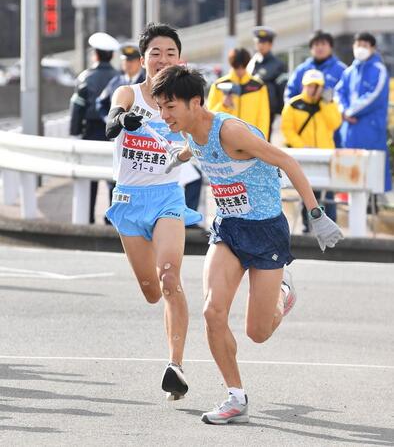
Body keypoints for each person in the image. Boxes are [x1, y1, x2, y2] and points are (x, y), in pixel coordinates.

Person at [150, 65, 343, 424]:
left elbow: (285, 160)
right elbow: (194, 147)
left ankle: (283, 294)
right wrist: (178, 157)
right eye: (160, 107)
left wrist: (316, 215)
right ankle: (235, 396)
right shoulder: (189, 129)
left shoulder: (231, 131)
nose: (164, 115)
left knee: (258, 332)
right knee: (212, 312)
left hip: (266, 230)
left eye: (170, 107)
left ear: (195, 103)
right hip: (228, 228)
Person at [104, 23, 202, 401]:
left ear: (180, 59)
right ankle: (172, 350)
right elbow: (113, 119)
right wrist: (120, 121)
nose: (162, 60)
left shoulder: (187, 101)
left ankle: (175, 366)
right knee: (150, 291)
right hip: (128, 201)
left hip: (167, 199)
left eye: (170, 54)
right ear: (142, 58)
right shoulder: (129, 92)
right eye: (155, 53)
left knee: (169, 278)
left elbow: (205, 136)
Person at [281, 69, 342, 232]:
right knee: (307, 193)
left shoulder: (328, 104)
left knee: (328, 194)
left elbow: (335, 124)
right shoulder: (293, 105)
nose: (313, 89)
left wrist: (326, 104)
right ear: (303, 86)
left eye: (317, 86)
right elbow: (287, 130)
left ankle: (331, 227)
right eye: (310, 85)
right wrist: (301, 147)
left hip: (326, 156)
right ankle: (308, 227)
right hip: (304, 157)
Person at [69, 32, 120, 224]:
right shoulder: (119, 78)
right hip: (114, 133)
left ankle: (87, 217)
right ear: (112, 55)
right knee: (114, 179)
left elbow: (77, 108)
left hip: (90, 132)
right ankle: (111, 220)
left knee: (88, 179)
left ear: (95, 55)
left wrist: (74, 135)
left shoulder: (85, 78)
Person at [335, 32, 392, 196]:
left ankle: (372, 207)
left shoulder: (379, 70)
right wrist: (343, 111)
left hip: (370, 129)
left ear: (373, 48)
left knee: (372, 172)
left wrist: (350, 111)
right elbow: (339, 93)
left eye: (365, 45)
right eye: (358, 44)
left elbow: (373, 96)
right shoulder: (349, 71)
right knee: (351, 172)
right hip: (350, 130)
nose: (361, 49)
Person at [207, 47, 270, 139]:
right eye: (236, 67)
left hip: (252, 140)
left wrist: (262, 139)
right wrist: (223, 105)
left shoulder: (259, 86)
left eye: (243, 67)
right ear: (231, 65)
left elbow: (264, 117)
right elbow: (209, 116)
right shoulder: (218, 85)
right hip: (225, 141)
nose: (240, 71)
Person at [247, 26, 287, 141]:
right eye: (259, 42)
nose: (261, 45)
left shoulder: (278, 64)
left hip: (267, 109)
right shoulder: (251, 62)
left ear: (270, 45)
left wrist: (281, 110)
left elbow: (282, 88)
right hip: (249, 107)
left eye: (265, 42)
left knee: (263, 139)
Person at [96, 42, 145, 123]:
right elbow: (101, 102)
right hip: (117, 130)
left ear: (140, 62)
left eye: (132, 60)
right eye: (126, 60)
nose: (128, 64)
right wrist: (108, 119)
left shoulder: (145, 81)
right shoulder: (115, 82)